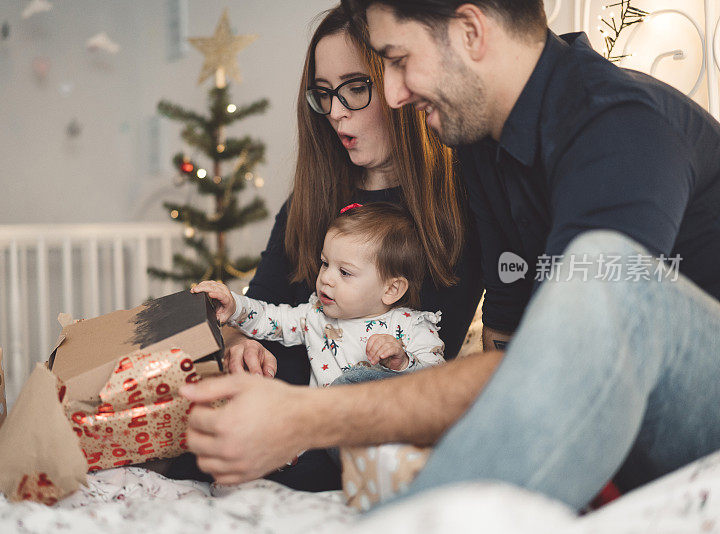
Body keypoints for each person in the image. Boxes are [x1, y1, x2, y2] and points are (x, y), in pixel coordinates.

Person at [178, 0, 720, 511]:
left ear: (470, 32)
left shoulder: (618, 125)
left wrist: (305, 416)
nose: (393, 95)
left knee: (608, 275)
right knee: (375, 381)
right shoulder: (486, 145)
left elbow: (579, 349)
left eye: (399, 61)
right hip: (618, 407)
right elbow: (506, 349)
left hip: (692, 398)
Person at [175, 6, 483, 491]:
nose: (336, 111)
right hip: (274, 421)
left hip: (364, 432)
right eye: (323, 94)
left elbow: (438, 374)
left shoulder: (464, 204)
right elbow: (259, 312)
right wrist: (241, 346)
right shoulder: (310, 199)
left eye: (356, 88)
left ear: (404, 81)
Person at [193, 203, 446, 387]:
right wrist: (234, 305)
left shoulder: (411, 326)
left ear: (391, 290)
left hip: (385, 431)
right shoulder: (314, 316)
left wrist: (402, 362)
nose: (326, 277)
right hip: (328, 430)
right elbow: (269, 318)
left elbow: (438, 384)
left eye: (345, 272)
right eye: (325, 263)